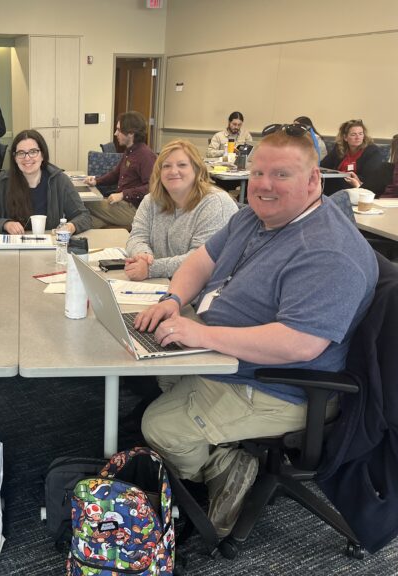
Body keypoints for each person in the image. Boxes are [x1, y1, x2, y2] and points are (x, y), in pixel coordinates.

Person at [135, 124, 378, 539]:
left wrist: (203, 336)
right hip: (228, 356)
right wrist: (172, 301)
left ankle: (223, 468)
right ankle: (219, 441)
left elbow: (298, 343)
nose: (263, 185)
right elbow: (202, 260)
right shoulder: (253, 216)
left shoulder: (326, 250)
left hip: (280, 386)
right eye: (257, 174)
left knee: (158, 427)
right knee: (158, 370)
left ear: (314, 179)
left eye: (281, 175)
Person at [125, 140, 238, 281]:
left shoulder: (216, 203)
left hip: (204, 294)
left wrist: (150, 269)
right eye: (166, 166)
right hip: (162, 285)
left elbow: (202, 259)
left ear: (197, 169)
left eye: (182, 165)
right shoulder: (151, 200)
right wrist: (142, 255)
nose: (173, 171)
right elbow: (136, 236)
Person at [0, 130, 91, 235]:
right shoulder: (2, 182)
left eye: (33, 152)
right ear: (14, 157)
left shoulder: (58, 180)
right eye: (21, 153)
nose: (27, 158)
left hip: (50, 246)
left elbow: (84, 216)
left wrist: (70, 227)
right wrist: (6, 224)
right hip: (13, 248)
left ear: (42, 155)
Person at [85, 111, 156, 230]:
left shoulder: (146, 156)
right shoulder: (129, 152)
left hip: (134, 210)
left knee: (84, 203)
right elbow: (115, 174)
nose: (115, 133)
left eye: (119, 130)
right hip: (121, 206)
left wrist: (123, 195)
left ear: (131, 133)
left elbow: (152, 188)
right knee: (88, 221)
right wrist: (96, 181)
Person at [321, 119, 382, 193]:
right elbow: (323, 165)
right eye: (353, 134)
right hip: (336, 184)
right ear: (345, 137)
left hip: (358, 188)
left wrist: (354, 179)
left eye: (360, 134)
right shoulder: (339, 148)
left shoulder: (372, 151)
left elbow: (370, 178)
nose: (358, 137)